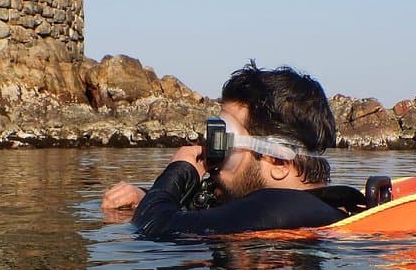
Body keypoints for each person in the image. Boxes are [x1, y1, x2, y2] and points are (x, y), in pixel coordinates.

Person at [101, 62, 365, 236]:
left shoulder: (278, 208)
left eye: (225, 141)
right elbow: (214, 213)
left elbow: (154, 227)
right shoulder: (320, 205)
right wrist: (147, 196)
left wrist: (178, 171)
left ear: (278, 161)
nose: (212, 156)